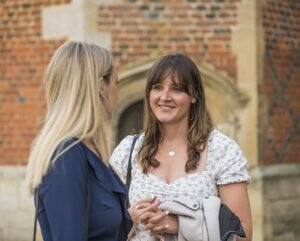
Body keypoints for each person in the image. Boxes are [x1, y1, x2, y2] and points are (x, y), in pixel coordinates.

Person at [25, 41, 160, 241]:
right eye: (116, 82)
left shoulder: (88, 149)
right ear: (101, 86)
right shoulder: (66, 157)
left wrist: (129, 219)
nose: (117, 92)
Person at [109, 53, 252, 241]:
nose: (165, 97)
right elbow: (102, 226)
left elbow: (243, 233)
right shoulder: (128, 151)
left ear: (194, 96)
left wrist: (183, 226)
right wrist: (130, 219)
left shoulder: (221, 150)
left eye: (176, 89)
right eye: (157, 87)